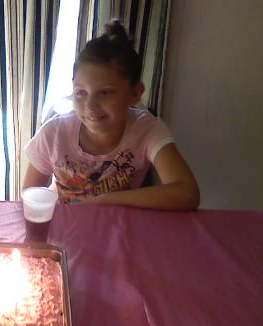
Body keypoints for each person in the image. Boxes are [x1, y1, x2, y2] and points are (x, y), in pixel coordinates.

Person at [22, 20, 199, 210]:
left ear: (135, 94)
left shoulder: (147, 129)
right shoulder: (54, 132)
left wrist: (104, 200)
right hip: (64, 222)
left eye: (105, 92)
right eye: (80, 92)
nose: (90, 105)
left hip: (119, 224)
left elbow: (187, 193)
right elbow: (29, 197)